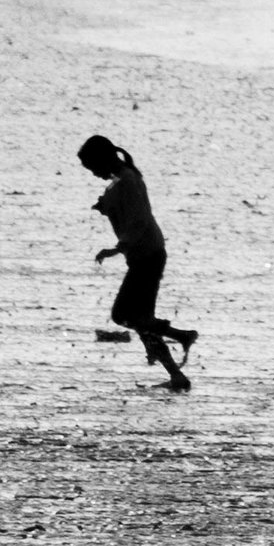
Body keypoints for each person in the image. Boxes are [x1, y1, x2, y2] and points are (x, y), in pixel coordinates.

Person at [80, 134, 195, 392]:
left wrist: (116, 248)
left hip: (148, 255)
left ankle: (181, 336)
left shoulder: (128, 180)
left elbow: (138, 221)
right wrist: (104, 206)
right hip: (145, 255)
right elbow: (123, 207)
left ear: (104, 160)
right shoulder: (123, 179)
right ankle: (177, 375)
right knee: (142, 320)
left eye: (94, 167)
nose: (94, 174)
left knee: (122, 315)